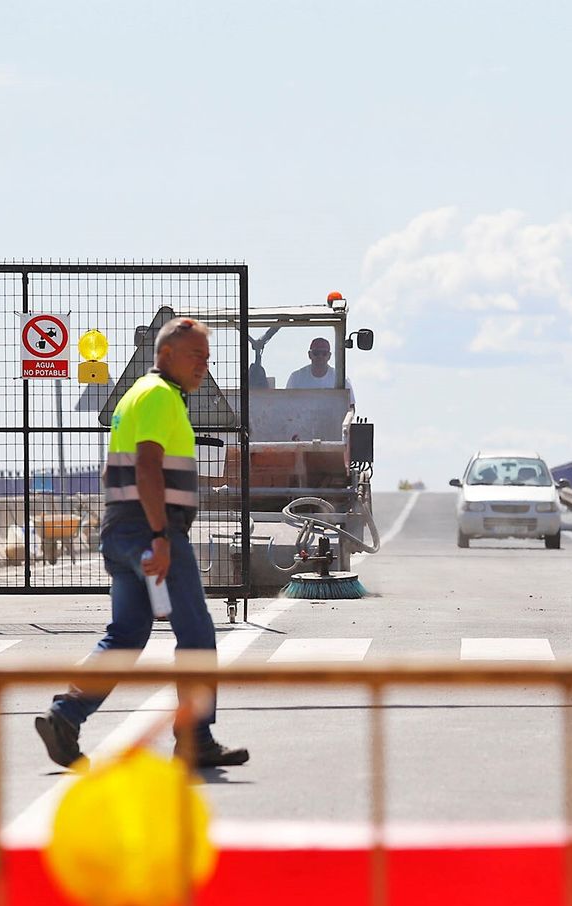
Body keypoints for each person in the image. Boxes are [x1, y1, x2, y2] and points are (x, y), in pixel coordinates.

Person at [35, 317, 249, 770]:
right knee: (196, 632)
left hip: (121, 529)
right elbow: (148, 468)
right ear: (167, 354)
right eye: (195, 356)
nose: (203, 366)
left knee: (127, 634)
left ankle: (65, 716)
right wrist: (159, 536)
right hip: (152, 529)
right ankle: (195, 736)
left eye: (207, 358)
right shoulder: (159, 397)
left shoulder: (137, 397)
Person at [286, 336, 356, 410]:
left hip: (333, 421)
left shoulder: (341, 379)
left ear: (329, 356)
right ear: (310, 354)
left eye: (324, 353)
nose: (320, 356)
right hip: (301, 421)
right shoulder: (296, 378)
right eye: (316, 353)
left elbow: (351, 407)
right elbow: (286, 405)